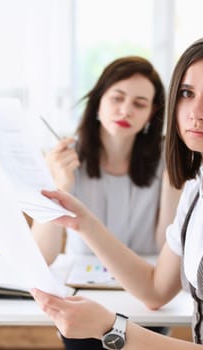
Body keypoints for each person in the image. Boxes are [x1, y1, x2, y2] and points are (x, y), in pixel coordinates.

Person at [31, 32, 203, 350]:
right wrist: (82, 221)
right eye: (187, 93)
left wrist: (112, 328)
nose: (196, 111)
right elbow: (154, 290)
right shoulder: (197, 191)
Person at [32, 56, 182, 349]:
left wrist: (173, 184)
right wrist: (59, 185)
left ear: (152, 114)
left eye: (139, 103)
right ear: (98, 101)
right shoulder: (64, 159)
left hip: (144, 295)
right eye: (117, 97)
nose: (126, 109)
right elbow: (42, 255)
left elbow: (166, 247)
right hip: (84, 299)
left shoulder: (167, 162)